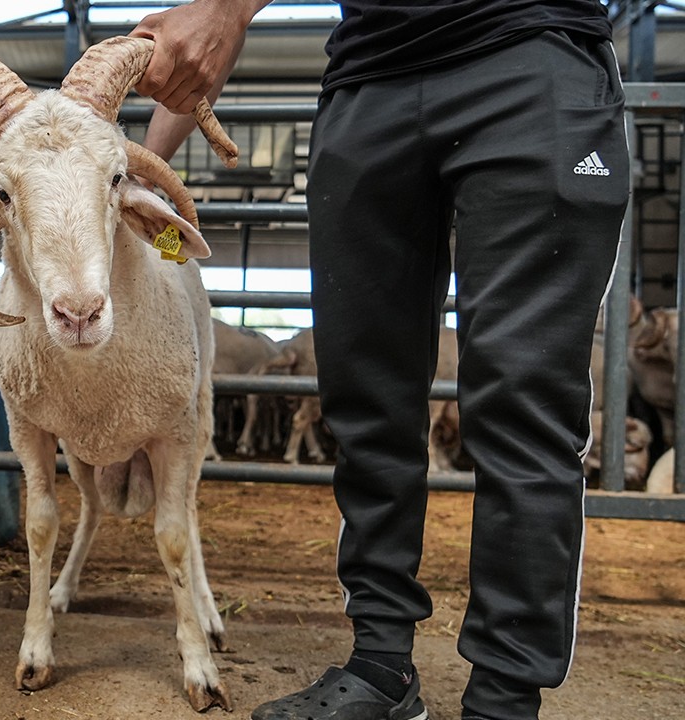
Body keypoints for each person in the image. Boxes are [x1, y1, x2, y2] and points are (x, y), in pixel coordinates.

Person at [142, 2, 630, 720]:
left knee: (522, 400)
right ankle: (380, 666)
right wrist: (146, 165)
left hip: (530, 48)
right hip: (370, 75)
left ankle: (502, 697)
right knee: (363, 393)